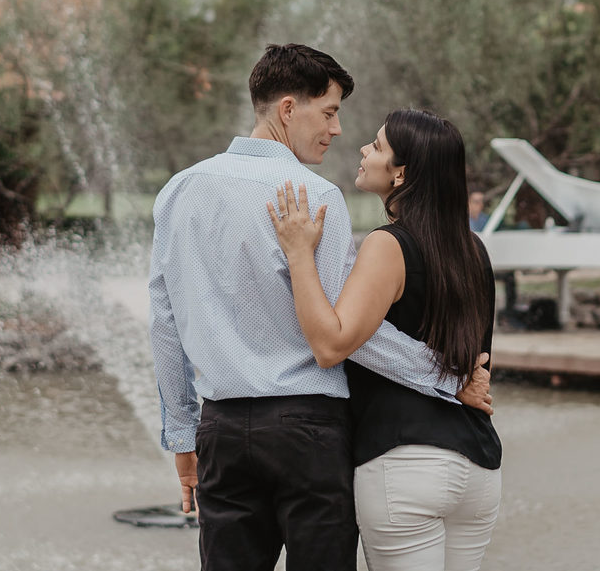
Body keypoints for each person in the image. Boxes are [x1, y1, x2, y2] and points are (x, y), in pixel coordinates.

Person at [148, 45, 491, 571]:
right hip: (308, 428)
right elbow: (350, 333)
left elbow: (165, 322)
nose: (335, 130)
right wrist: (447, 376)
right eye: (329, 112)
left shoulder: (178, 192)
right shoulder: (313, 195)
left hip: (219, 429)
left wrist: (181, 433)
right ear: (289, 109)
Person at [270, 108, 502, 571]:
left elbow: (332, 344)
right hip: (477, 468)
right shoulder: (473, 250)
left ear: (402, 172)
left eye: (376, 146)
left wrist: (298, 254)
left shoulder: (388, 244)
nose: (361, 149)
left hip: (404, 464)